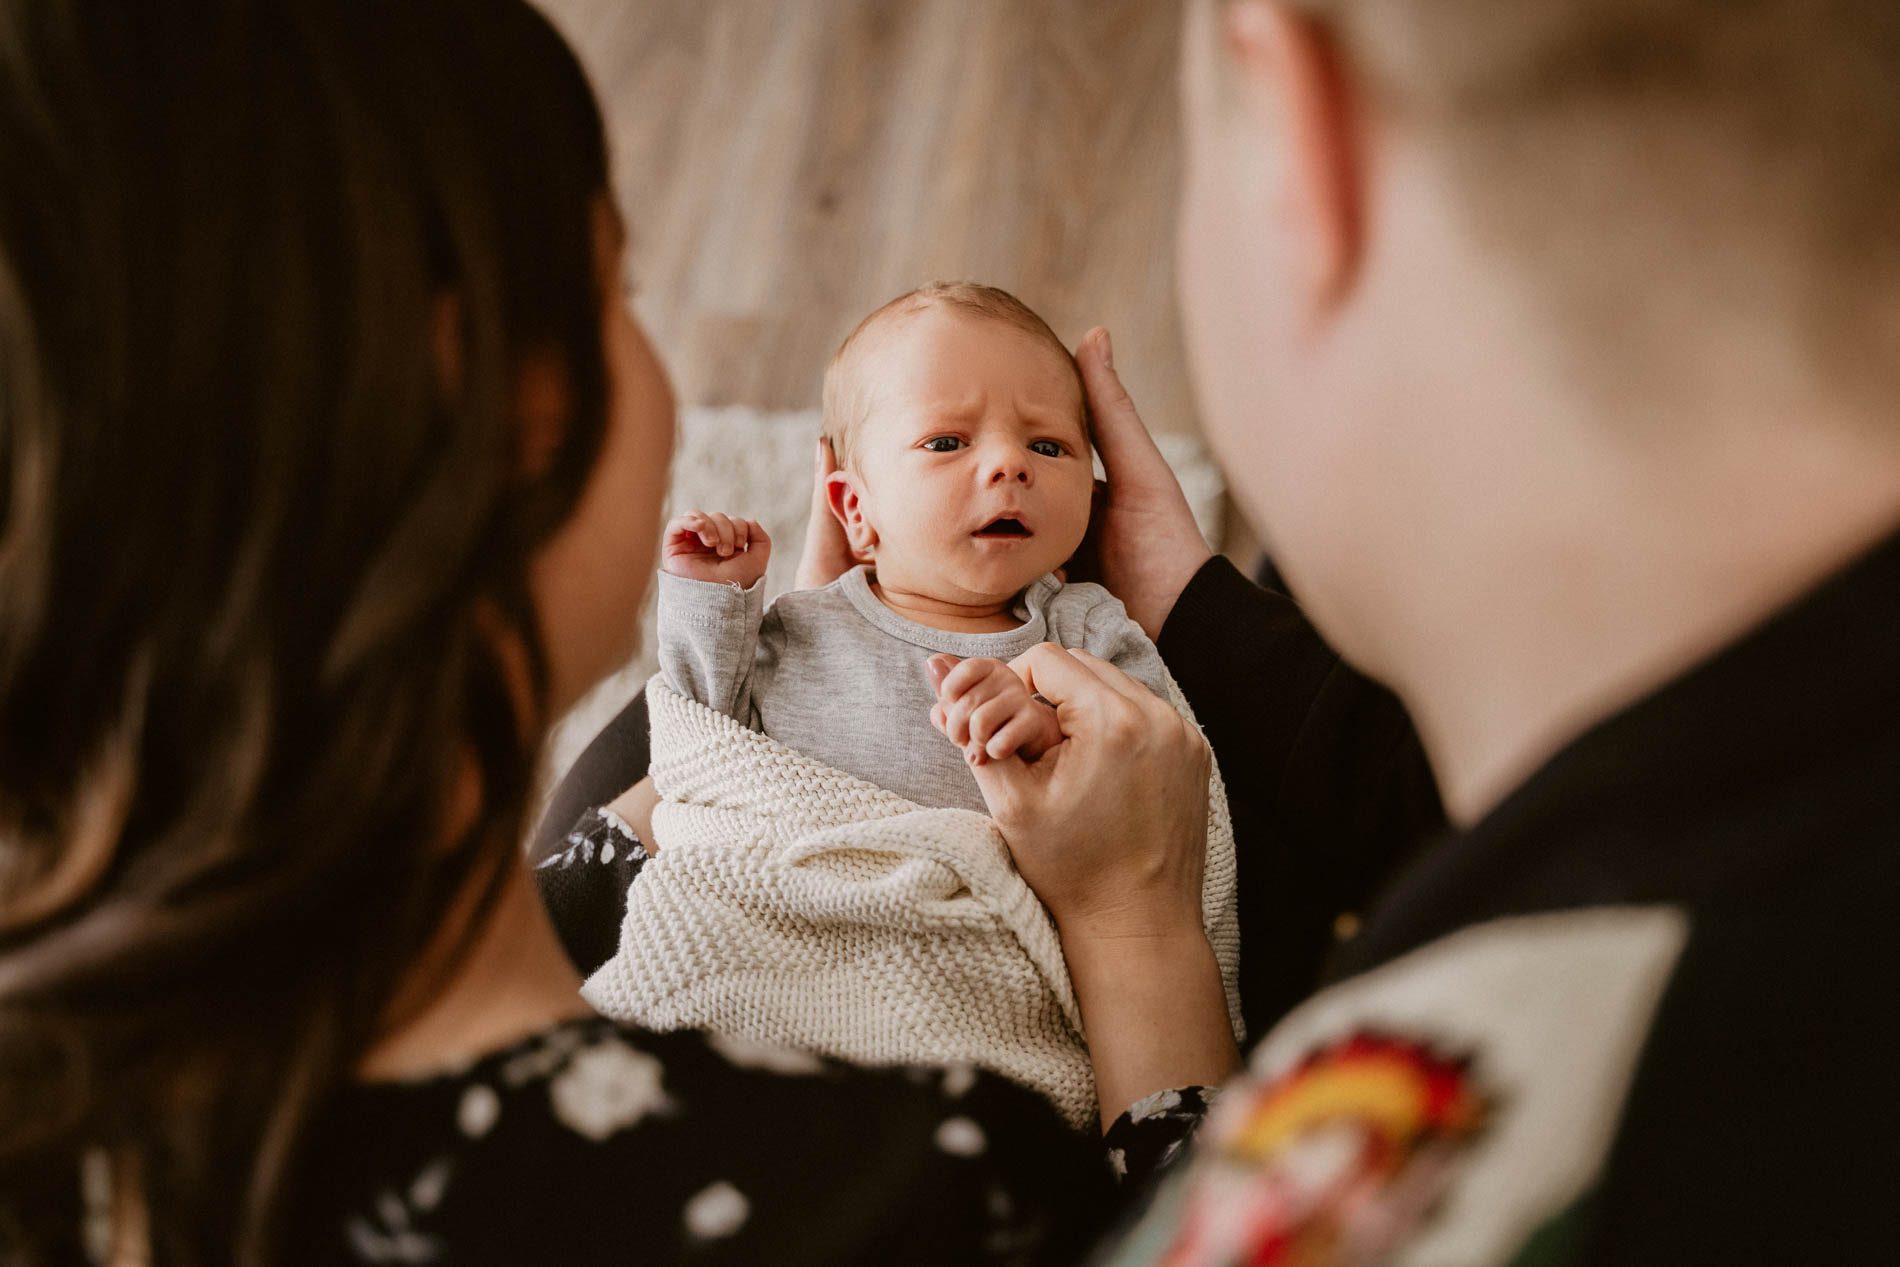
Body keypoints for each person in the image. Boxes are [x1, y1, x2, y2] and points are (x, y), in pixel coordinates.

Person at [0, 1, 1243, 1262]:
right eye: (617, 285)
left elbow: (640, 816)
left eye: (1046, 442)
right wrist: (1136, 929)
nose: (1010, 467)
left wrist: (700, 785)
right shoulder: (937, 1181)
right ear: (504, 401)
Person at [577, 281, 1241, 1130]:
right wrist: (714, 600)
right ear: (855, 509)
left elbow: (1150, 768)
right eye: (946, 440)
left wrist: (1043, 735)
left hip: (971, 968)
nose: (1009, 464)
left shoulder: (1085, 629)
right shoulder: (804, 621)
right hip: (771, 925)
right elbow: (699, 746)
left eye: (1049, 443)